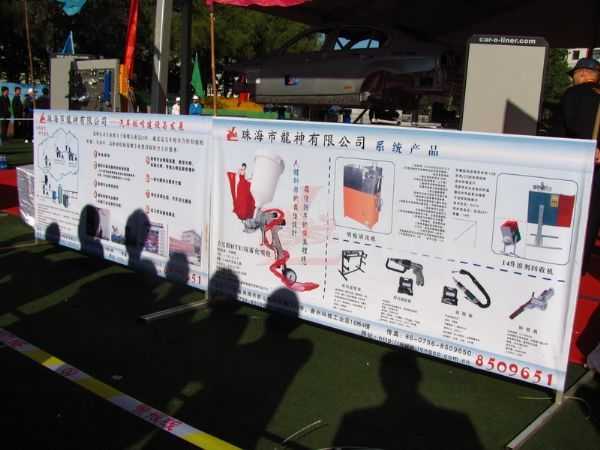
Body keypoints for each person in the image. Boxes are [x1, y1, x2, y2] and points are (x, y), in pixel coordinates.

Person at [552, 57, 600, 273]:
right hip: (596, 167)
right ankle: (581, 264)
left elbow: (572, 124)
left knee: (564, 211)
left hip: (572, 163)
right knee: (591, 215)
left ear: (580, 74)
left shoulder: (574, 94)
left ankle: (560, 259)